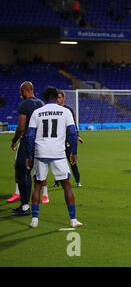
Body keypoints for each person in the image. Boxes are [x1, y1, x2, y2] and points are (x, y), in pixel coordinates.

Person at [25, 87, 82, 228]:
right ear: (57, 97)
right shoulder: (65, 111)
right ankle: (73, 220)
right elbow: (73, 133)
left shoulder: (36, 112)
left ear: (44, 98)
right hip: (58, 153)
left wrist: (28, 155)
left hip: (41, 152)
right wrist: (73, 152)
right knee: (66, 185)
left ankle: (34, 220)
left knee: (37, 185)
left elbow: (30, 135)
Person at [9, 82, 45, 215]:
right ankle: (25, 205)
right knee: (27, 172)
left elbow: (21, 127)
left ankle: (25, 206)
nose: (20, 94)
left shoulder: (24, 104)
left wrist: (14, 140)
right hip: (39, 142)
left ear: (25, 91)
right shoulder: (41, 103)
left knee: (20, 169)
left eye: (21, 92)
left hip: (27, 142)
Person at [52, 90, 84, 188]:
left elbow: (73, 125)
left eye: (59, 97)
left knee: (72, 161)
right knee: (57, 162)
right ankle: (57, 181)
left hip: (68, 139)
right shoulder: (53, 111)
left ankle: (77, 180)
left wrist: (77, 135)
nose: (58, 99)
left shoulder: (68, 110)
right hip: (57, 140)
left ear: (63, 98)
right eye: (56, 97)